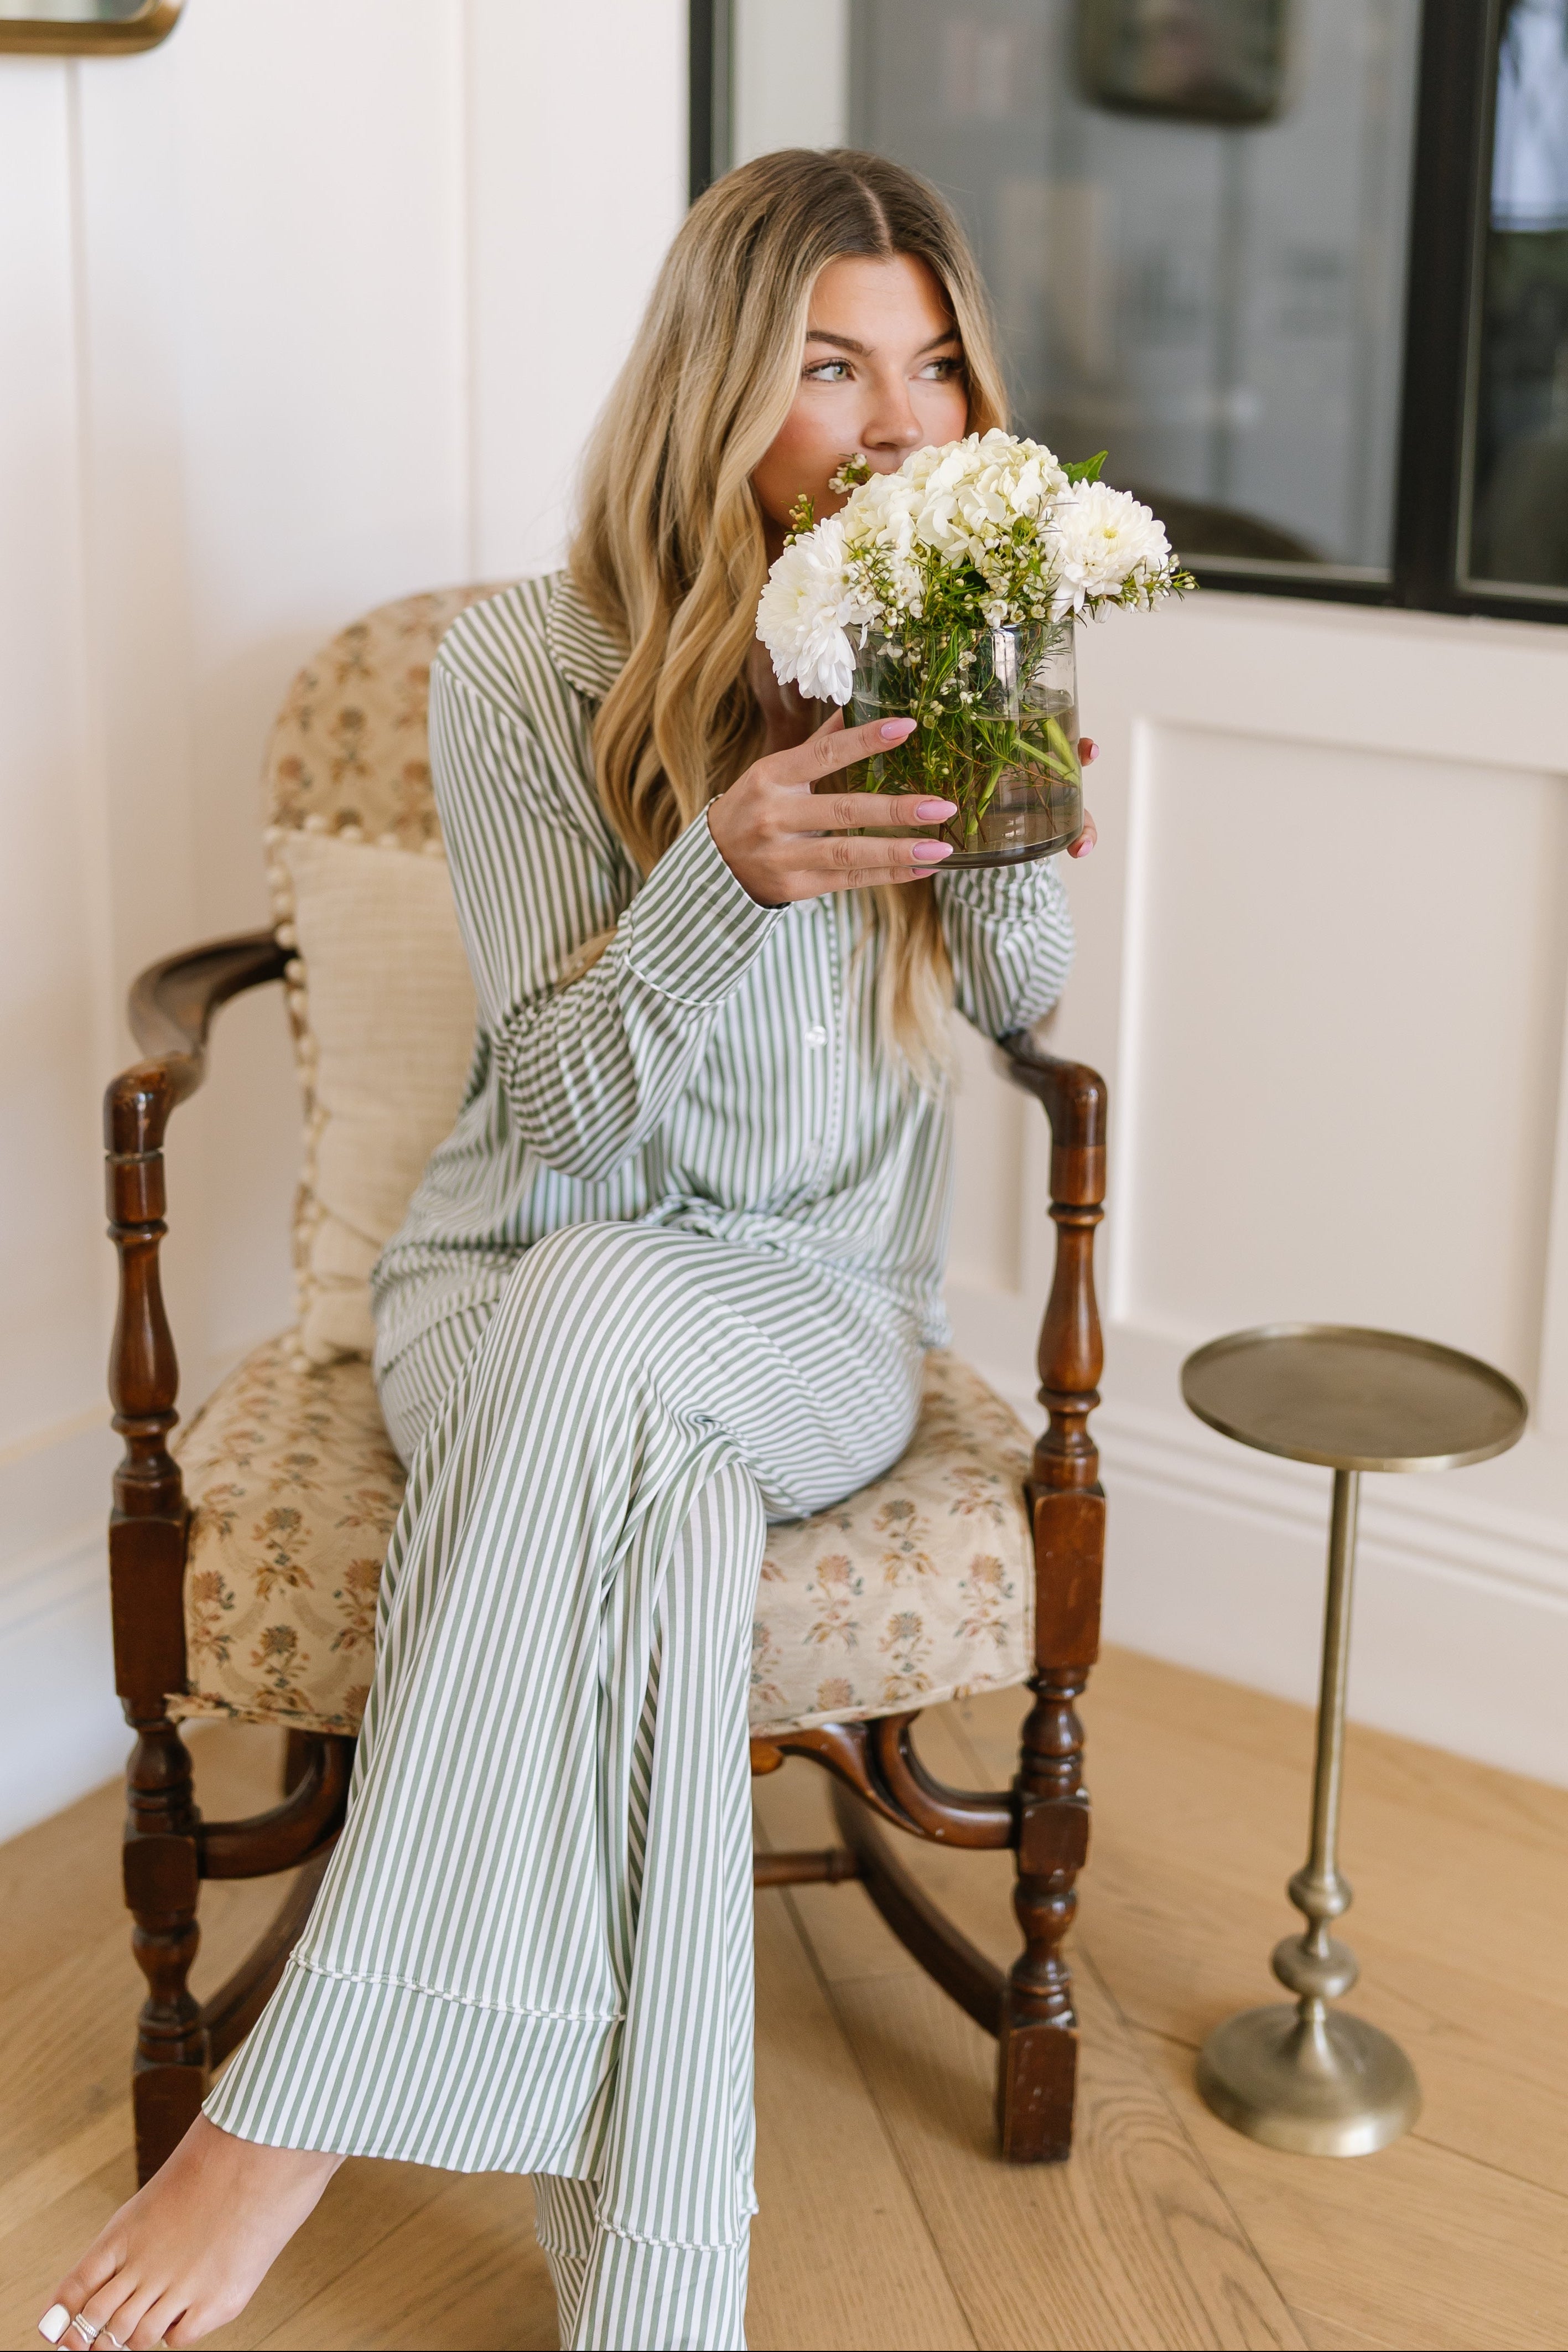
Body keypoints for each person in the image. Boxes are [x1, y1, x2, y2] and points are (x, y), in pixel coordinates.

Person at [39, 147, 1095, 2352]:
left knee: (637, 1335)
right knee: (664, 1504)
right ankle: (660, 2289)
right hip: (501, 1282)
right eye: (831, 365)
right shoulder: (526, 668)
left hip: (812, 1317)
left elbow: (1010, 1000)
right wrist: (719, 877)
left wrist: (1007, 758)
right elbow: (548, 1116)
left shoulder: (956, 617)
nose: (900, 423)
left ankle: (286, 2111)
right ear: (726, 380)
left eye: (931, 367)